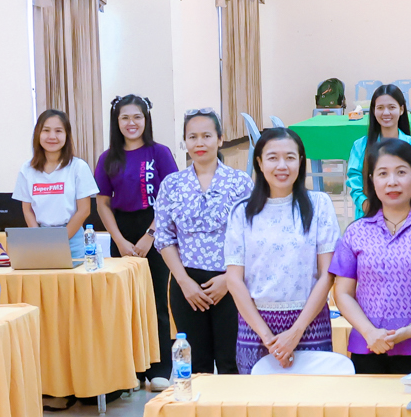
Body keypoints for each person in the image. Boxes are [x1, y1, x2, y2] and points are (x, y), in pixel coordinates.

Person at [331, 138, 411, 375]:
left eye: (401, 172)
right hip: (369, 348)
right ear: (371, 181)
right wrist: (369, 332)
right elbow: (342, 293)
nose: (392, 181)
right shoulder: (355, 232)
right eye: (383, 173)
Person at [224, 127, 338, 373]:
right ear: (259, 162)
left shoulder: (320, 205)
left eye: (290, 157)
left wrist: (296, 331)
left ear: (301, 161)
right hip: (255, 328)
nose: (282, 166)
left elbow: (327, 274)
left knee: (310, 396)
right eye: (273, 158)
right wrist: (267, 337)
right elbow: (234, 279)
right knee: (259, 397)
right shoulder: (241, 211)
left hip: (309, 323)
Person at [153, 109, 252, 376]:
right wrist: (184, 282)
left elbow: (252, 236)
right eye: (192, 137)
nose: (200, 143)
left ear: (220, 139)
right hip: (187, 284)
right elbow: (164, 238)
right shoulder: (172, 184)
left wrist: (228, 280)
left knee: (232, 363)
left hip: (231, 281)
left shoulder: (239, 182)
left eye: (207, 136)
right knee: (195, 366)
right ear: (185, 141)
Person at [94, 93, 178, 391]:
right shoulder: (107, 158)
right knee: (125, 303)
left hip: (156, 228)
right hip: (121, 231)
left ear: (146, 119)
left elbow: (170, 198)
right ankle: (131, 370)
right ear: (116, 122)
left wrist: (150, 235)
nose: (132, 123)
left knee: (156, 300)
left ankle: (160, 367)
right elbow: (102, 203)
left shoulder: (160, 153)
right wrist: (118, 239)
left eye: (137, 117)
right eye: (125, 118)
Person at [15, 109, 98, 258]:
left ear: (66, 135)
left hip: (72, 240)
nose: (52, 136)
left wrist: (59, 241)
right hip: (40, 239)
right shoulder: (27, 169)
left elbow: (84, 210)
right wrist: (39, 239)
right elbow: (27, 210)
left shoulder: (78, 167)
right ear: (38, 134)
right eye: (46, 130)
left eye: (58, 131)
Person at [344, 84, 411, 218]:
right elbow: (354, 181)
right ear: (373, 110)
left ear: (401, 109)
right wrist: (368, 207)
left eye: (391, 107)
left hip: (405, 216)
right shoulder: (360, 146)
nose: (386, 113)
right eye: (380, 108)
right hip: (369, 216)